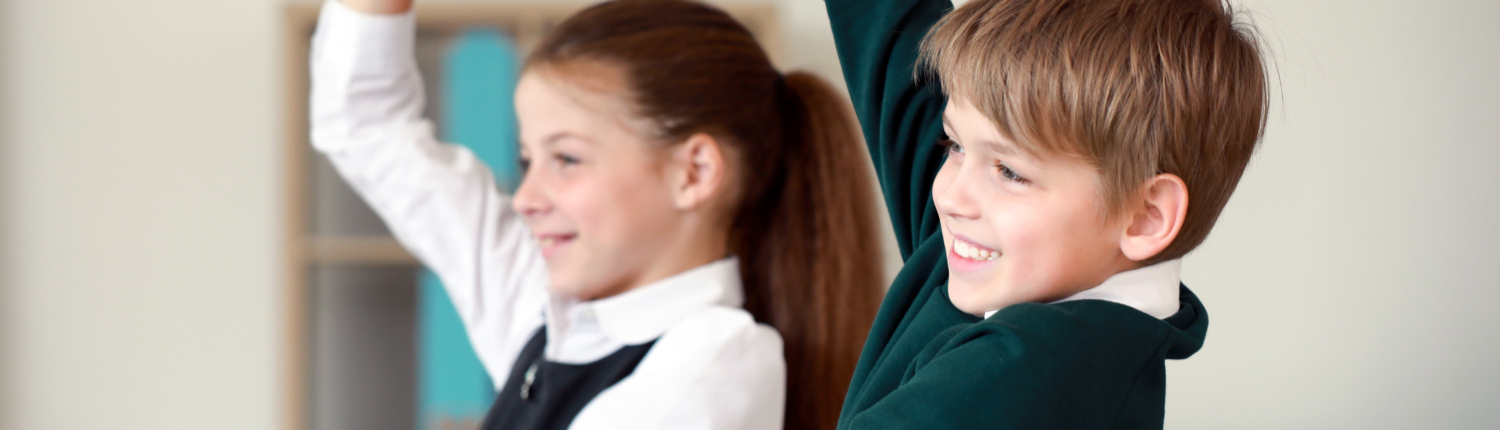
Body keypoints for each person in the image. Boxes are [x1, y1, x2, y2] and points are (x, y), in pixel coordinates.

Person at [310, 0, 884, 428]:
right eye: (526, 158)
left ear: (695, 173)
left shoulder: (714, 367)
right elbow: (366, 127)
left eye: (566, 158)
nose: (526, 197)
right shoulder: (550, 315)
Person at [824, 0, 1268, 428]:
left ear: (1144, 216)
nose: (950, 197)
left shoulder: (1025, 372)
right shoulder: (1013, 258)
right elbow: (886, 29)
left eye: (1010, 172)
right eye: (954, 145)